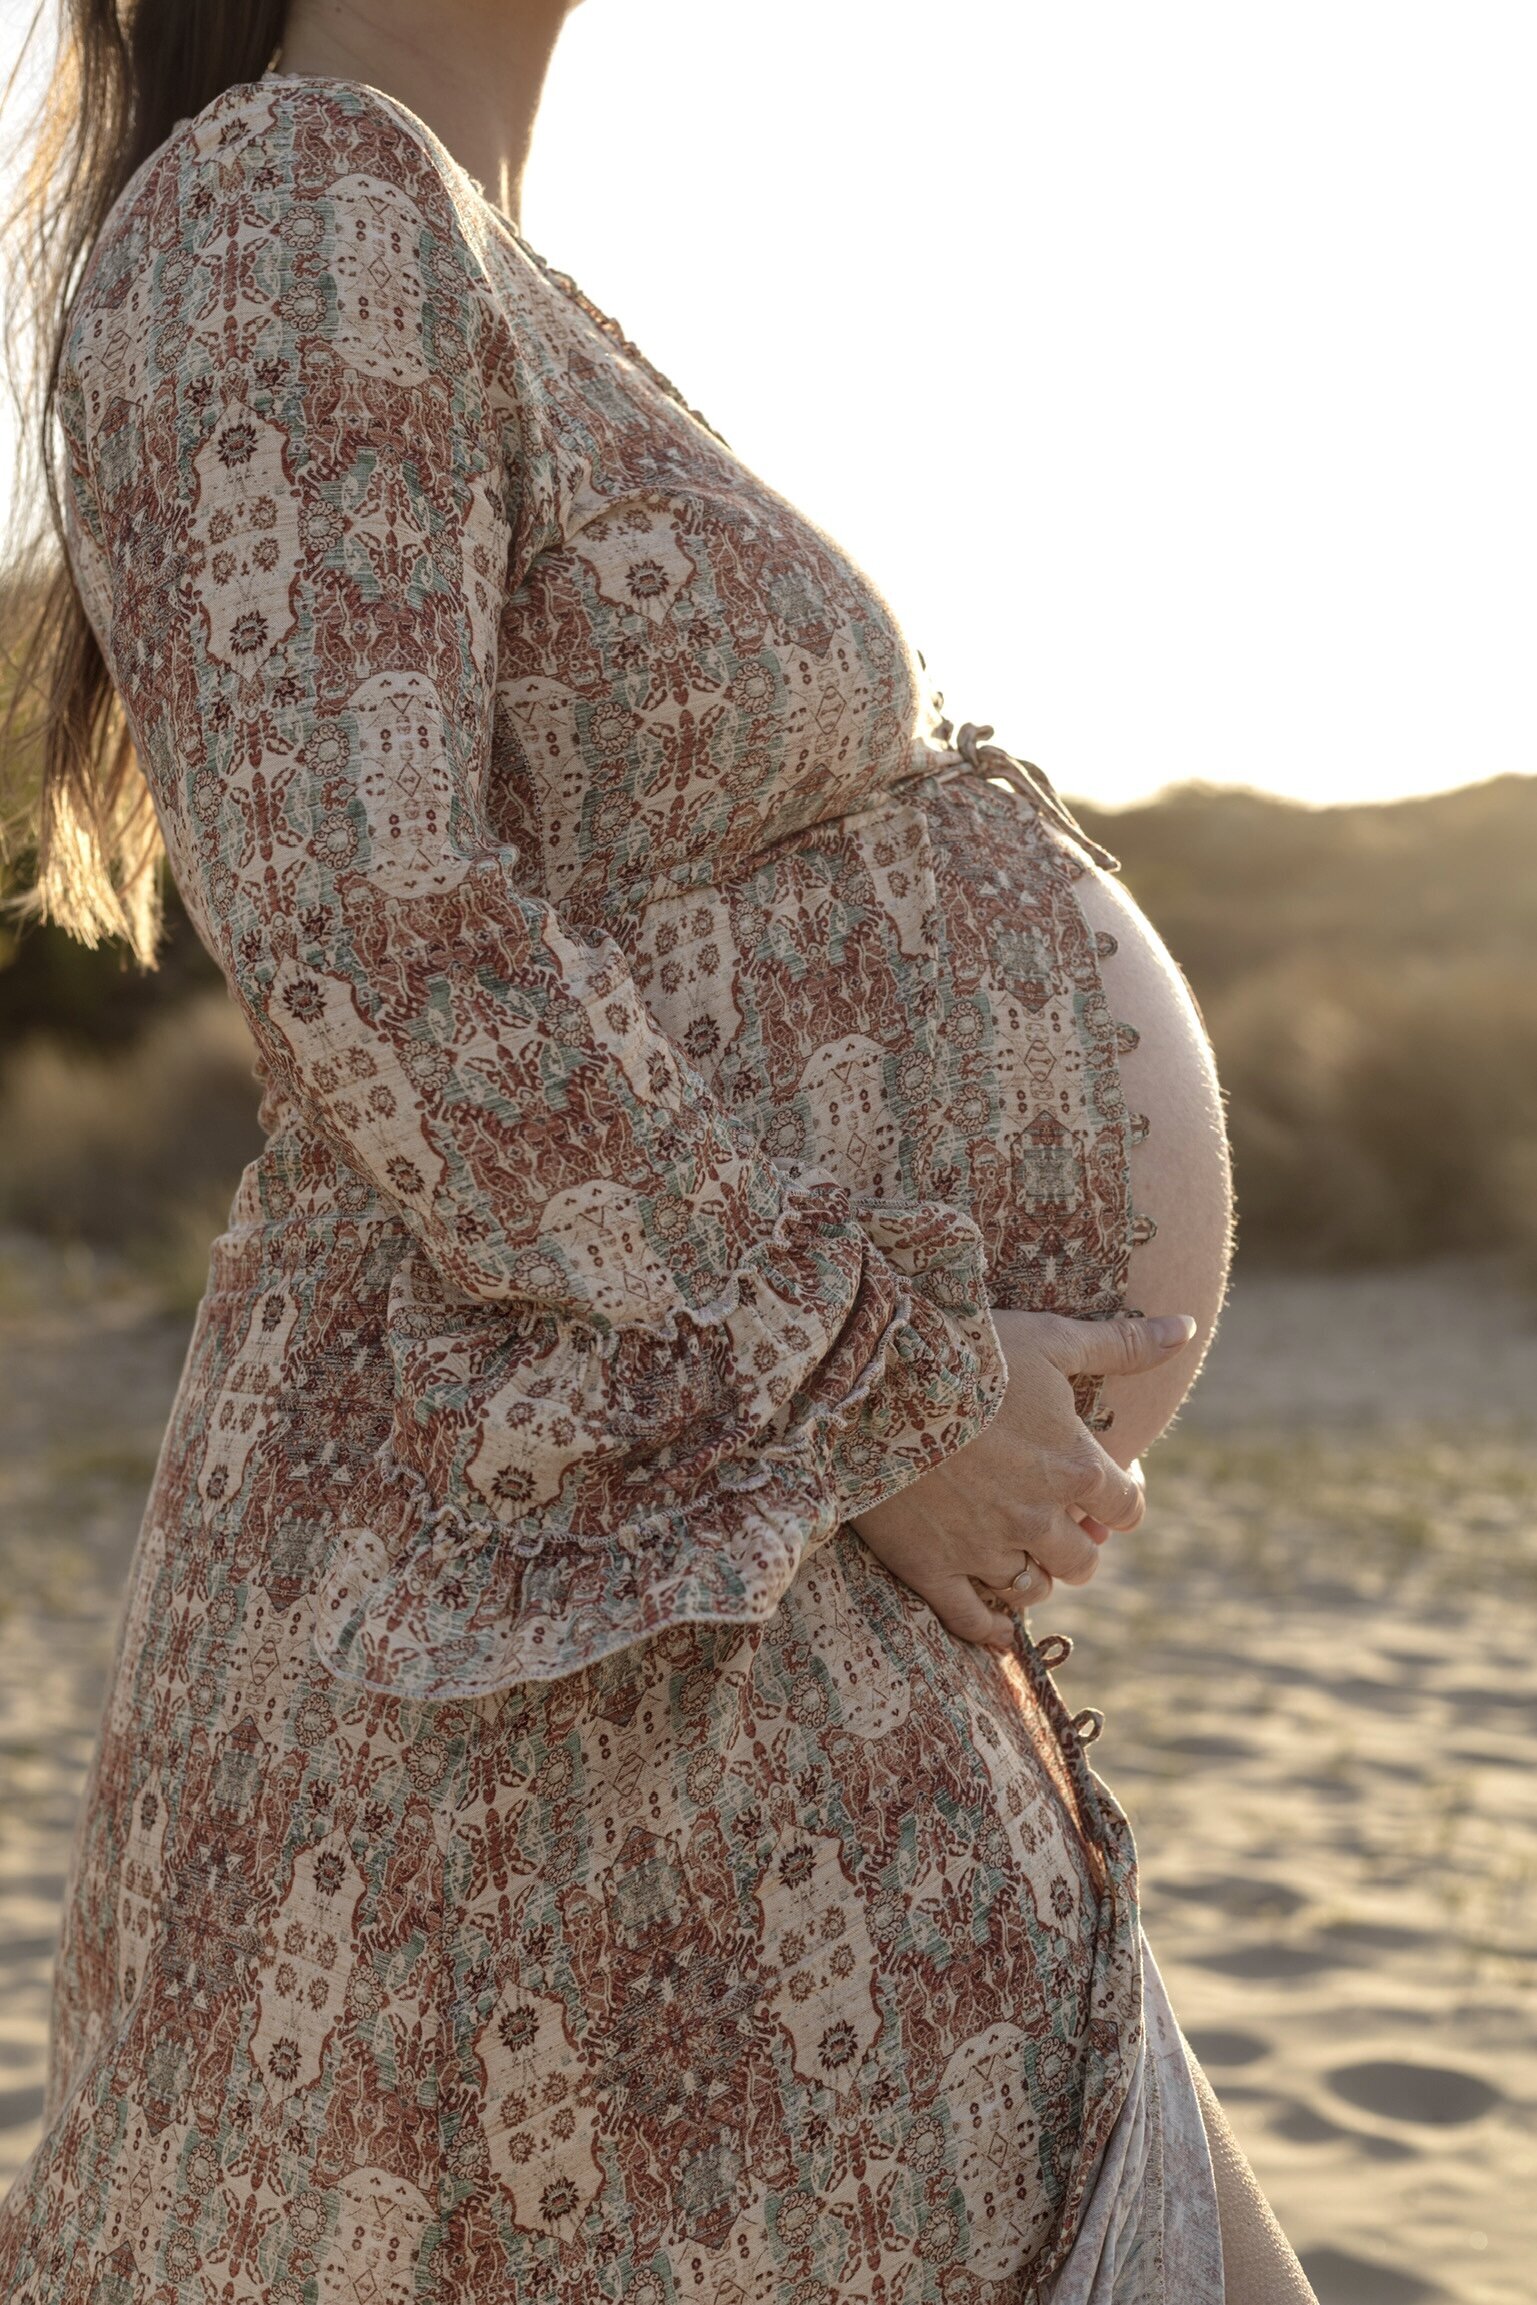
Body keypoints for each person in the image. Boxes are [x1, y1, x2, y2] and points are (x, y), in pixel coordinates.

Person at [0, 1, 1317, 2297]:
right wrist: (874, 1375)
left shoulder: (434, 223)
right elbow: (375, 940)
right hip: (579, 1580)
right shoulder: (288, 199)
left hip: (696, 1528)